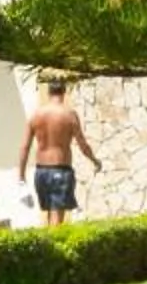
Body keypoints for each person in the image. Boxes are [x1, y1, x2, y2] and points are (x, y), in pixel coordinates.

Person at [17, 76, 101, 227]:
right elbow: (82, 144)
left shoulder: (36, 115)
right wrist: (94, 160)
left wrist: (21, 175)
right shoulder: (69, 114)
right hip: (60, 170)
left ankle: (48, 247)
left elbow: (24, 146)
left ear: (49, 92)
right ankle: (54, 249)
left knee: (50, 213)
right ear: (64, 92)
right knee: (57, 217)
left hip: (41, 171)